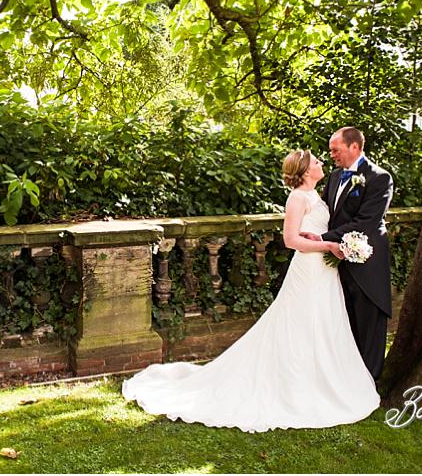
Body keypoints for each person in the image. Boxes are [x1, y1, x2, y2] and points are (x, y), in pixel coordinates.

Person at [122, 150, 379, 433]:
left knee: (323, 323)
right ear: (306, 171)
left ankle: (322, 379)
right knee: (301, 324)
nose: (322, 164)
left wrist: (332, 242)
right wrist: (328, 247)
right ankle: (294, 384)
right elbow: (290, 239)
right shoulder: (297, 198)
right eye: (317, 162)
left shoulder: (316, 195)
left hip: (325, 271)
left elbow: (315, 232)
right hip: (308, 269)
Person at [304, 127, 393, 381]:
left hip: (367, 264)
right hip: (336, 263)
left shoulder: (379, 178)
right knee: (344, 322)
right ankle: (348, 380)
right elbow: (324, 214)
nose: (331, 154)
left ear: (354, 147)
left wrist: (322, 239)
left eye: (336, 150)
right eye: (331, 150)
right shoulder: (333, 177)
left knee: (369, 323)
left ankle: (370, 381)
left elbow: (366, 221)